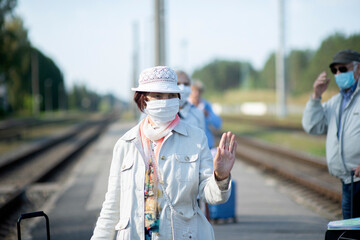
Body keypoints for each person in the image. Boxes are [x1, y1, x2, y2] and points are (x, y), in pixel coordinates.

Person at [91, 66, 237, 240]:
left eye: (171, 96)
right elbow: (112, 206)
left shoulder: (196, 138)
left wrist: (220, 176)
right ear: (144, 100)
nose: (166, 101)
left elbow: (209, 193)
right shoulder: (126, 144)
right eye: (158, 96)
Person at [302, 49, 360, 219]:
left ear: (358, 69)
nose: (338, 74)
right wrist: (316, 96)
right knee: (350, 233)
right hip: (348, 182)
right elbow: (312, 126)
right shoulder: (335, 102)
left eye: (343, 69)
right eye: (334, 71)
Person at [189, 81, 222, 149]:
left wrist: (208, 115)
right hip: (190, 145)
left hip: (207, 144)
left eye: (199, 91)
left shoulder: (206, 105)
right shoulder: (185, 105)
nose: (197, 93)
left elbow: (218, 124)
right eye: (194, 90)